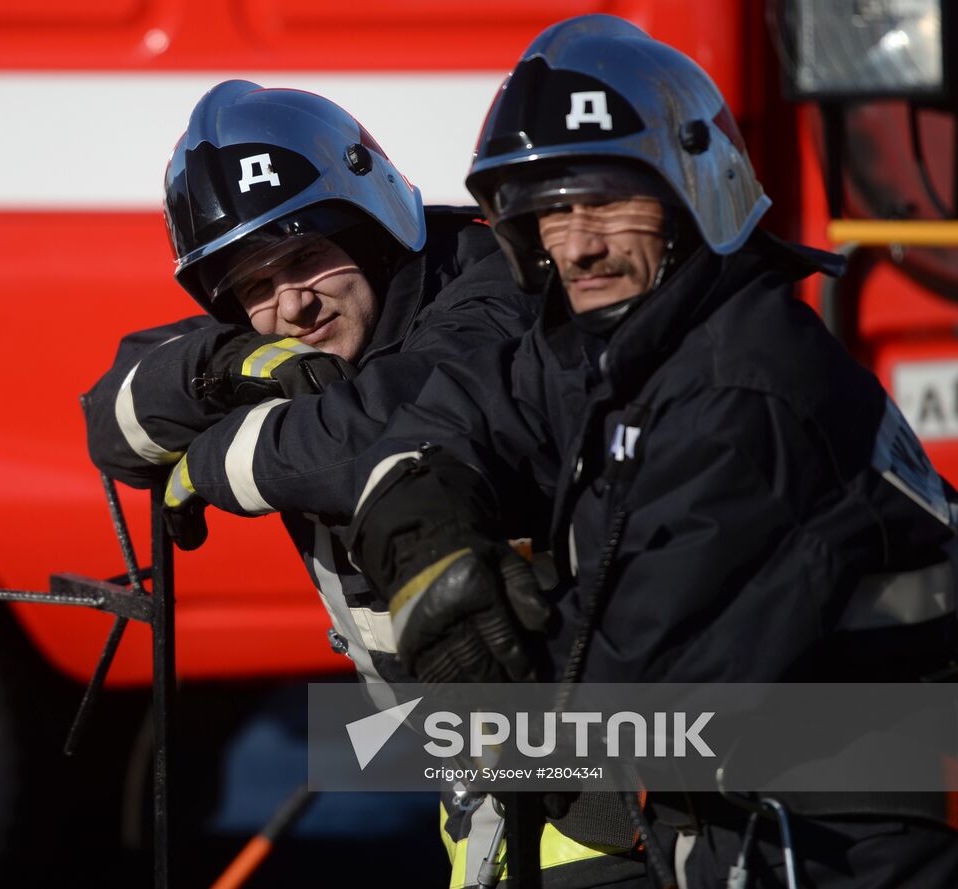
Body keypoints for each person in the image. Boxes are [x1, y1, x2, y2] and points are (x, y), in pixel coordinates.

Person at [345, 14, 958, 887]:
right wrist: (423, 536)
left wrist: (463, 674)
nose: (578, 243)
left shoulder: (743, 393)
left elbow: (615, 693)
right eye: (549, 212)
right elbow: (452, 416)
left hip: (836, 852)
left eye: (604, 200)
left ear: (690, 195)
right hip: (734, 829)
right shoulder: (621, 340)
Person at [81, 79, 624, 888]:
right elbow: (110, 420)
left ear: (370, 226)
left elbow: (386, 428)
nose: (292, 305)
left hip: (599, 786)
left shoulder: (497, 294)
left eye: (305, 258)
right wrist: (223, 363)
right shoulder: (287, 342)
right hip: (483, 785)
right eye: (253, 287)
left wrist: (216, 455)